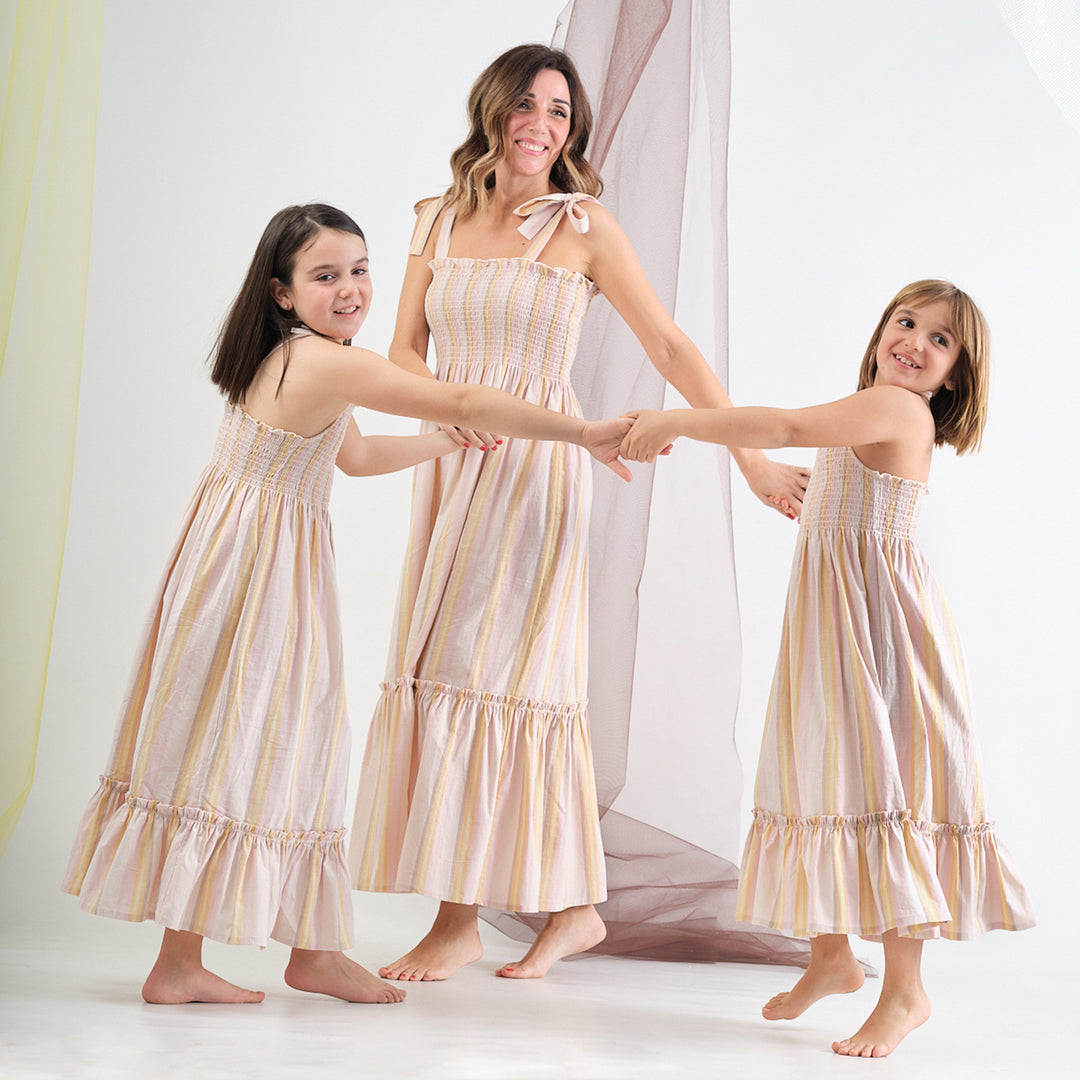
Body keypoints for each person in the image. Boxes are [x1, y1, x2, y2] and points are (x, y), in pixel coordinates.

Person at [61, 203, 632, 1006]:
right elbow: (464, 399)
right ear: (283, 292)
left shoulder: (297, 356)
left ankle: (254, 955)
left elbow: (354, 455)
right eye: (325, 276)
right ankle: (263, 957)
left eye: (360, 270)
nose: (352, 289)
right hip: (258, 568)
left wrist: (444, 443)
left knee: (248, 736)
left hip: (244, 555)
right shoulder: (324, 362)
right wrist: (580, 432)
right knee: (262, 736)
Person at [349, 43, 810, 983]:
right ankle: (570, 908)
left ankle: (461, 920)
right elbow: (401, 347)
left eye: (559, 112)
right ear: (492, 109)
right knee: (446, 671)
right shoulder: (436, 218)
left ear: (573, 133)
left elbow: (670, 345)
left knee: (503, 678)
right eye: (526, 104)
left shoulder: (584, 226)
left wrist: (752, 460)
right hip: (454, 461)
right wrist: (443, 411)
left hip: (540, 469)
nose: (541, 124)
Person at [621, 279, 1036, 1056]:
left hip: (882, 635)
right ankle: (831, 957)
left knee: (886, 787)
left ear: (955, 375)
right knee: (826, 773)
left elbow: (783, 424)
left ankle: (905, 991)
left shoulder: (898, 409)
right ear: (880, 332)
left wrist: (676, 420)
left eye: (940, 339)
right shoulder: (874, 407)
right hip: (838, 625)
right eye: (905, 322)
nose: (914, 342)